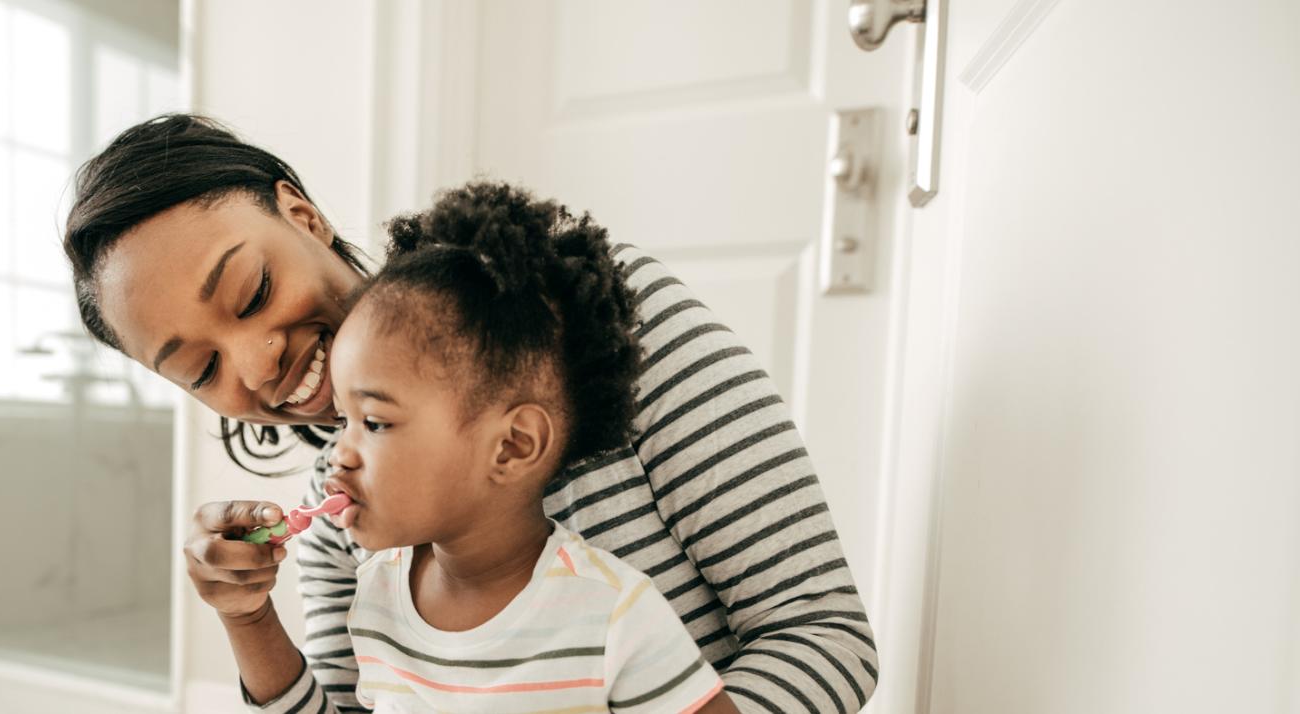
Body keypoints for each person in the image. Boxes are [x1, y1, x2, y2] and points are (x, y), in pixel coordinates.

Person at [63, 114, 877, 714]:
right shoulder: (347, 519)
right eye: (202, 369)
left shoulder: (596, 325)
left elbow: (821, 634)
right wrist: (247, 620)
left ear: (303, 217)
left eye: (253, 292)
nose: (255, 364)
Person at [293, 180, 734, 712]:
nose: (339, 453)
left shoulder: (612, 614)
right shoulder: (377, 595)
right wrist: (246, 617)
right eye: (343, 420)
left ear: (512, 447)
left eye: (375, 422)